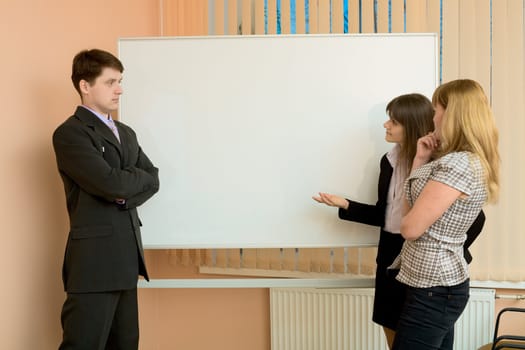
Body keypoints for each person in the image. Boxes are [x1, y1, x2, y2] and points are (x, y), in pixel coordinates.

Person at [312, 93, 485, 349]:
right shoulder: (388, 161)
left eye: (393, 121)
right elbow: (387, 214)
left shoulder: (442, 163)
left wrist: (448, 249)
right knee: (394, 334)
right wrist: (345, 205)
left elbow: (476, 218)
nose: (386, 125)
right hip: (391, 258)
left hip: (425, 264)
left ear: (412, 124)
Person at [52, 49, 160, 349]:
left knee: (126, 344)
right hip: (93, 265)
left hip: (126, 260)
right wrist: (122, 187)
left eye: (120, 81)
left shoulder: (126, 133)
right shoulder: (70, 134)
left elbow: (153, 178)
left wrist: (123, 194)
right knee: (83, 344)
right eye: (111, 82)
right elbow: (110, 182)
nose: (120, 89)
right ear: (85, 86)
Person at [390, 79, 500, 350]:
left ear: (452, 114)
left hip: (434, 289)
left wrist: (408, 222)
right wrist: (419, 160)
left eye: (437, 108)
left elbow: (409, 228)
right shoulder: (458, 159)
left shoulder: (457, 165)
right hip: (435, 286)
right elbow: (409, 213)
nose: (433, 116)